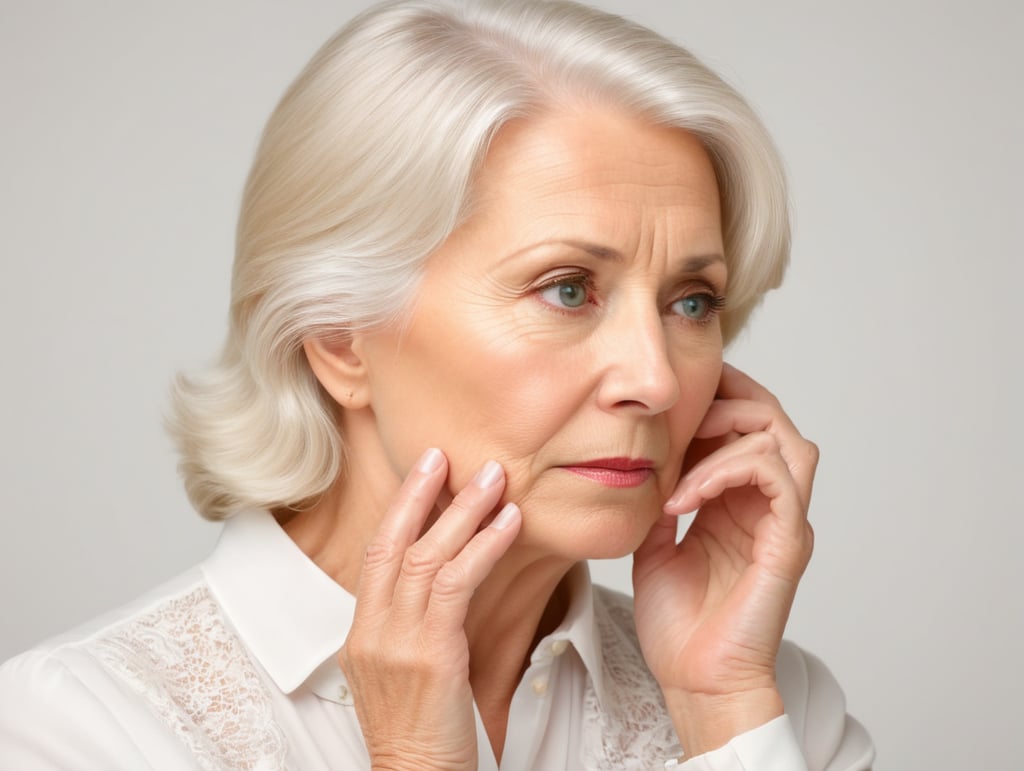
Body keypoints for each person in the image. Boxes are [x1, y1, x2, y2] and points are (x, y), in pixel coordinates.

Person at [0, 0, 875, 768]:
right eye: (567, 288)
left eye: (693, 301)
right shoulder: (80, 731)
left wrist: (721, 708)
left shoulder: (773, 705)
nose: (654, 379)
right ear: (338, 335)